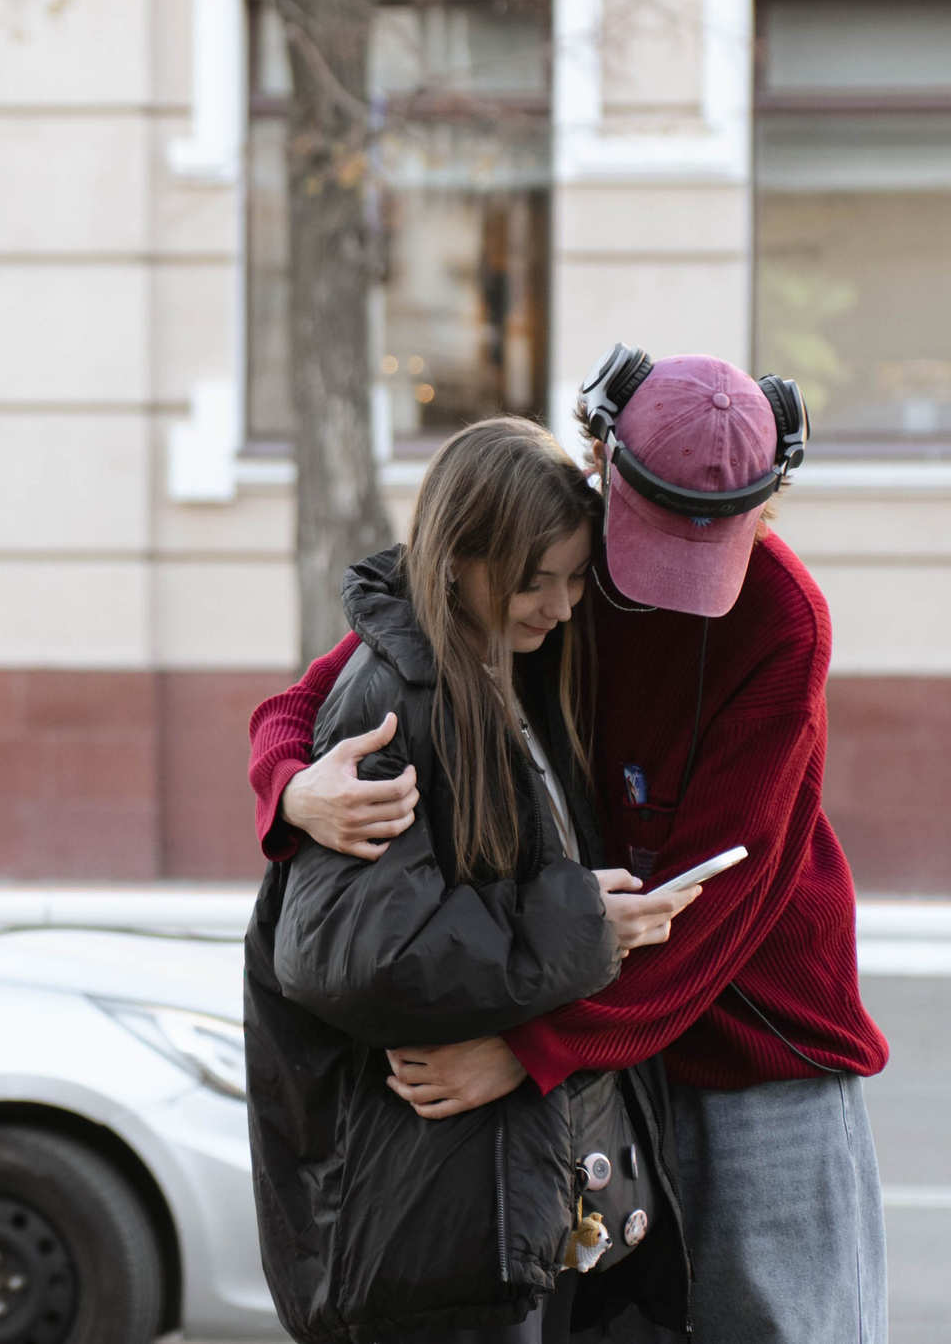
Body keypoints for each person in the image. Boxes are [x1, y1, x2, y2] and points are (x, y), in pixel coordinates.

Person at [251, 351, 891, 1344]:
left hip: (749, 1034)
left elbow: (725, 888)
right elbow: (329, 684)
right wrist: (293, 786)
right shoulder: (544, 551)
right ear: (602, 460)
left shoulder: (783, 618)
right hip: (589, 1022)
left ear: (768, 502)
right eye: (642, 549)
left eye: (711, 545)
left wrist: (531, 1047)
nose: (673, 584)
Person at [247, 415, 697, 1344]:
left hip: (498, 1199)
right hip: (439, 1217)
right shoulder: (398, 696)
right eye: (537, 581)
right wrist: (582, 926)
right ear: (457, 559)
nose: (564, 607)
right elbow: (365, 957)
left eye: (578, 580)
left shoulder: (513, 663)